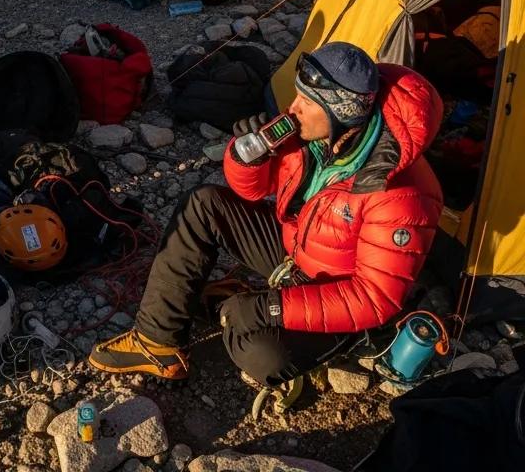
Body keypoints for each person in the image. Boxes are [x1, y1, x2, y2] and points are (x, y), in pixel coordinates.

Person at [89, 43, 443, 387]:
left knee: (260, 354)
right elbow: (251, 191)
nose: (294, 107)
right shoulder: (312, 134)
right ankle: (156, 341)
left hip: (342, 296)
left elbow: (373, 298)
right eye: (298, 95)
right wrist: (247, 158)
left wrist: (270, 308)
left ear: (342, 113)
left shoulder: (399, 194)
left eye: (307, 101)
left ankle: (303, 329)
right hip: (296, 250)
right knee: (204, 205)